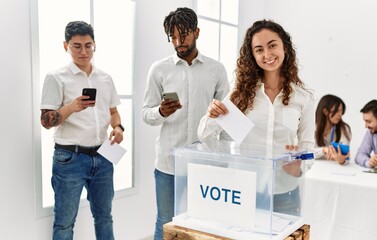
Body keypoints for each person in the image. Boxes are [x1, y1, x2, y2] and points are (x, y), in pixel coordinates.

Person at [198, 19, 315, 215]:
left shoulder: (304, 98)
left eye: (272, 46)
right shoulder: (240, 92)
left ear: (284, 47)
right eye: (259, 49)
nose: (267, 55)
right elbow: (205, 137)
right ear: (253, 55)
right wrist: (212, 115)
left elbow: (308, 147)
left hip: (285, 193)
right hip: (242, 192)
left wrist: (299, 166)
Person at [142, 7, 230, 240]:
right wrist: (160, 111)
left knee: (203, 225)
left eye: (184, 35)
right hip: (168, 164)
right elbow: (145, 114)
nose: (179, 42)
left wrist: (228, 158)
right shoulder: (159, 69)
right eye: (173, 37)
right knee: (166, 222)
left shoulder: (217, 69)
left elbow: (227, 117)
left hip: (205, 164)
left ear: (197, 32)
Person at [40, 21, 124, 240]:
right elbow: (46, 121)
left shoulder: (105, 78)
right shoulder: (56, 77)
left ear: (94, 44)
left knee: (105, 218)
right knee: (65, 224)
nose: (83, 51)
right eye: (76, 46)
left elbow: (113, 111)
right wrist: (71, 107)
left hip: (104, 156)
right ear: (65, 46)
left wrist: (118, 127)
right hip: (70, 157)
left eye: (88, 45)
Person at [314, 94, 351, 164]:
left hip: (334, 168)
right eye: (337, 111)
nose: (340, 114)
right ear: (325, 111)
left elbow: (347, 156)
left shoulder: (344, 129)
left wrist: (342, 160)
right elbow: (304, 154)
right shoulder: (310, 127)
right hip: (314, 168)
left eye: (341, 111)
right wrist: (324, 150)